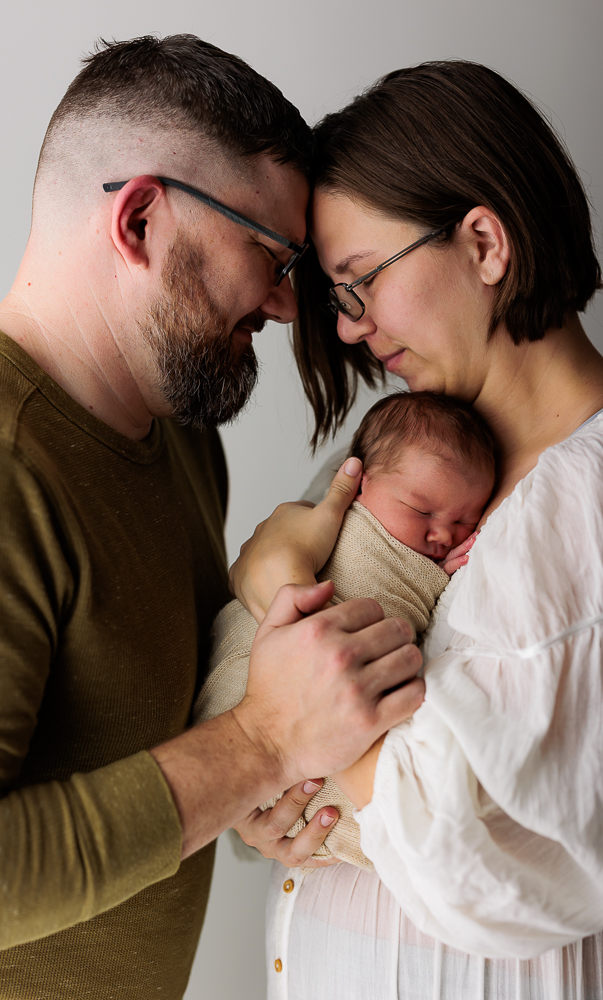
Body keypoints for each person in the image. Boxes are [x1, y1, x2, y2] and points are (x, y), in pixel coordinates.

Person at [0, 36, 426, 1000]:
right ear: (139, 220)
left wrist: (253, 789)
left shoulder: (180, 437)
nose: (286, 306)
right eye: (270, 256)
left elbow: (150, 744)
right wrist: (259, 744)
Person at [230, 60, 603, 998]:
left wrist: (288, 688)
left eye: (359, 282)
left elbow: (502, 868)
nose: (347, 329)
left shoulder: (583, 503)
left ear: (482, 242)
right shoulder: (403, 466)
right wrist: (259, 790)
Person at [196, 391, 495, 868]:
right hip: (246, 697)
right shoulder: (334, 521)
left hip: (304, 753)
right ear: (358, 485)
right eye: (422, 512)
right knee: (400, 833)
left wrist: (436, 575)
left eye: (464, 521)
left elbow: (415, 597)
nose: (443, 534)